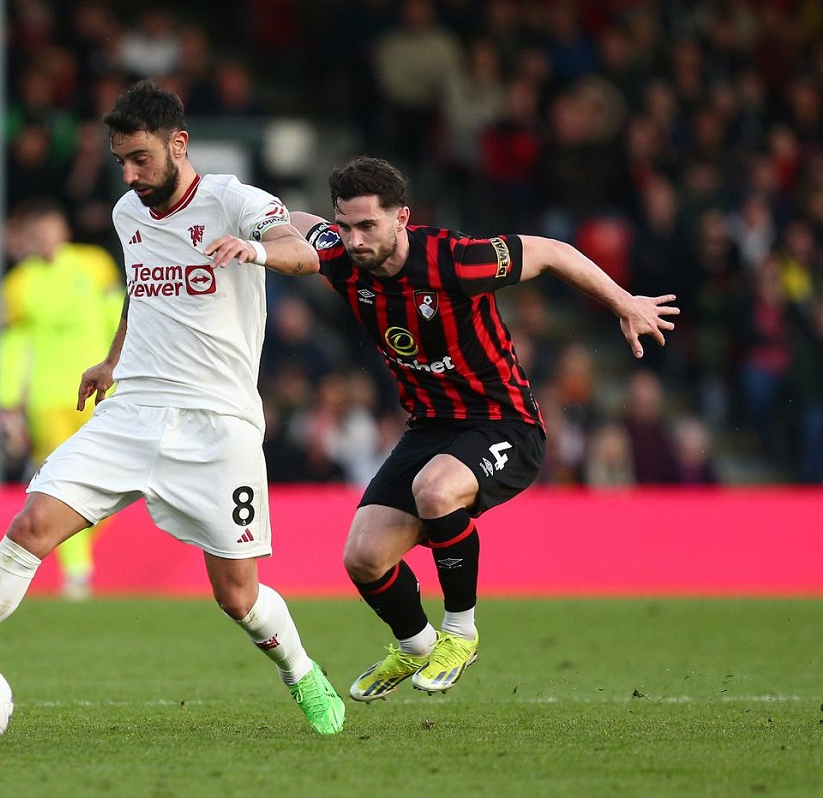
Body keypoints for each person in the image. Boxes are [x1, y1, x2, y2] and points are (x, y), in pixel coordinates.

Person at [0, 80, 345, 735]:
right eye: (121, 162)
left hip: (217, 425)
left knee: (237, 596)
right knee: (30, 527)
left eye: (140, 159)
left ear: (178, 144)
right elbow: (142, 291)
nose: (129, 175)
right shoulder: (129, 214)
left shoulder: (232, 200)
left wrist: (257, 250)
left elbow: (305, 252)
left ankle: (302, 673)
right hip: (133, 410)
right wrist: (112, 359)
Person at [290, 156, 678, 701]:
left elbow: (553, 252)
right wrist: (240, 220)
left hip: (505, 423)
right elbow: (292, 220)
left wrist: (624, 302)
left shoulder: (455, 259)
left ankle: (460, 632)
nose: (354, 240)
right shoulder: (338, 255)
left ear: (401, 217)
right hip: (430, 427)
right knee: (363, 558)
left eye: (367, 226)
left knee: (434, 489)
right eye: (345, 225)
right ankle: (415, 644)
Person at [0, 199, 125, 599]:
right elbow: (14, 342)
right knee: (62, 485)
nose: (45, 239)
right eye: (37, 234)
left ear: (63, 231)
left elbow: (120, 318)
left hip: (102, 391)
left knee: (114, 483)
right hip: (47, 398)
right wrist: (6, 398)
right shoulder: (19, 283)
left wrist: (128, 368)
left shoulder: (94, 264)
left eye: (50, 230)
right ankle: (77, 573)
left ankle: (71, 549)